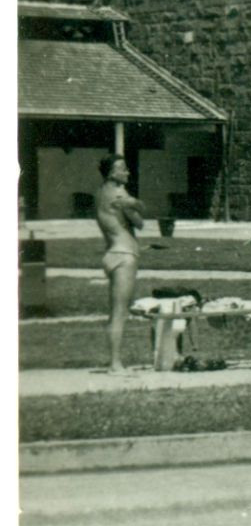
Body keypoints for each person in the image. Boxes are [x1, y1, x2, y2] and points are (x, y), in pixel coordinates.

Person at [96, 154, 144, 372]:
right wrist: (134, 204)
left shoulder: (101, 193)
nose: (127, 172)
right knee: (120, 313)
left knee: (115, 311)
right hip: (125, 253)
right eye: (122, 169)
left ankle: (113, 361)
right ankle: (115, 363)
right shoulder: (119, 194)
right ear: (111, 173)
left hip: (112, 251)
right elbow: (140, 219)